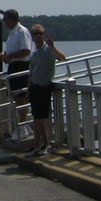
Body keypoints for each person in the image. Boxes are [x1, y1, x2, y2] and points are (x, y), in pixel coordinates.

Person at [25, 24, 66, 156]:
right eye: (36, 33)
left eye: (41, 33)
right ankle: (37, 145)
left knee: (41, 119)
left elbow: (62, 58)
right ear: (32, 36)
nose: (38, 36)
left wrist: (53, 46)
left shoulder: (48, 50)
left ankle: (46, 144)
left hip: (44, 87)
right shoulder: (34, 52)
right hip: (34, 88)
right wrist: (28, 89)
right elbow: (31, 72)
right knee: (36, 119)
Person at [0, 9, 34, 122]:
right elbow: (12, 50)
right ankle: (24, 125)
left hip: (22, 66)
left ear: (12, 19)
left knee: (21, 98)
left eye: (5, 19)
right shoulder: (12, 33)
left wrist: (10, 56)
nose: (4, 22)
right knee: (16, 97)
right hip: (13, 67)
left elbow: (26, 51)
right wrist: (4, 55)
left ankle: (23, 125)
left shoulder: (21, 31)